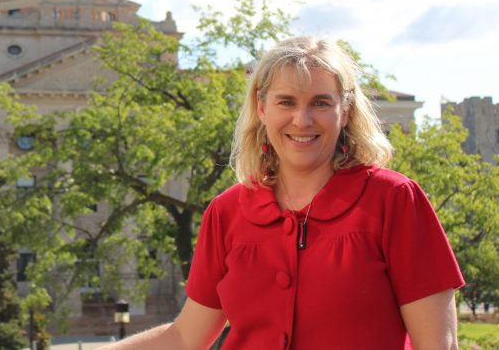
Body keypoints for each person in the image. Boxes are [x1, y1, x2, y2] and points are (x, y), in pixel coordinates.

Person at [99, 36, 464, 349]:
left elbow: (437, 344)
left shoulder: (394, 199)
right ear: (262, 108)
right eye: (286, 102)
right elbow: (185, 337)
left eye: (321, 102)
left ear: (346, 110)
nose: (302, 121)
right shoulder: (226, 212)